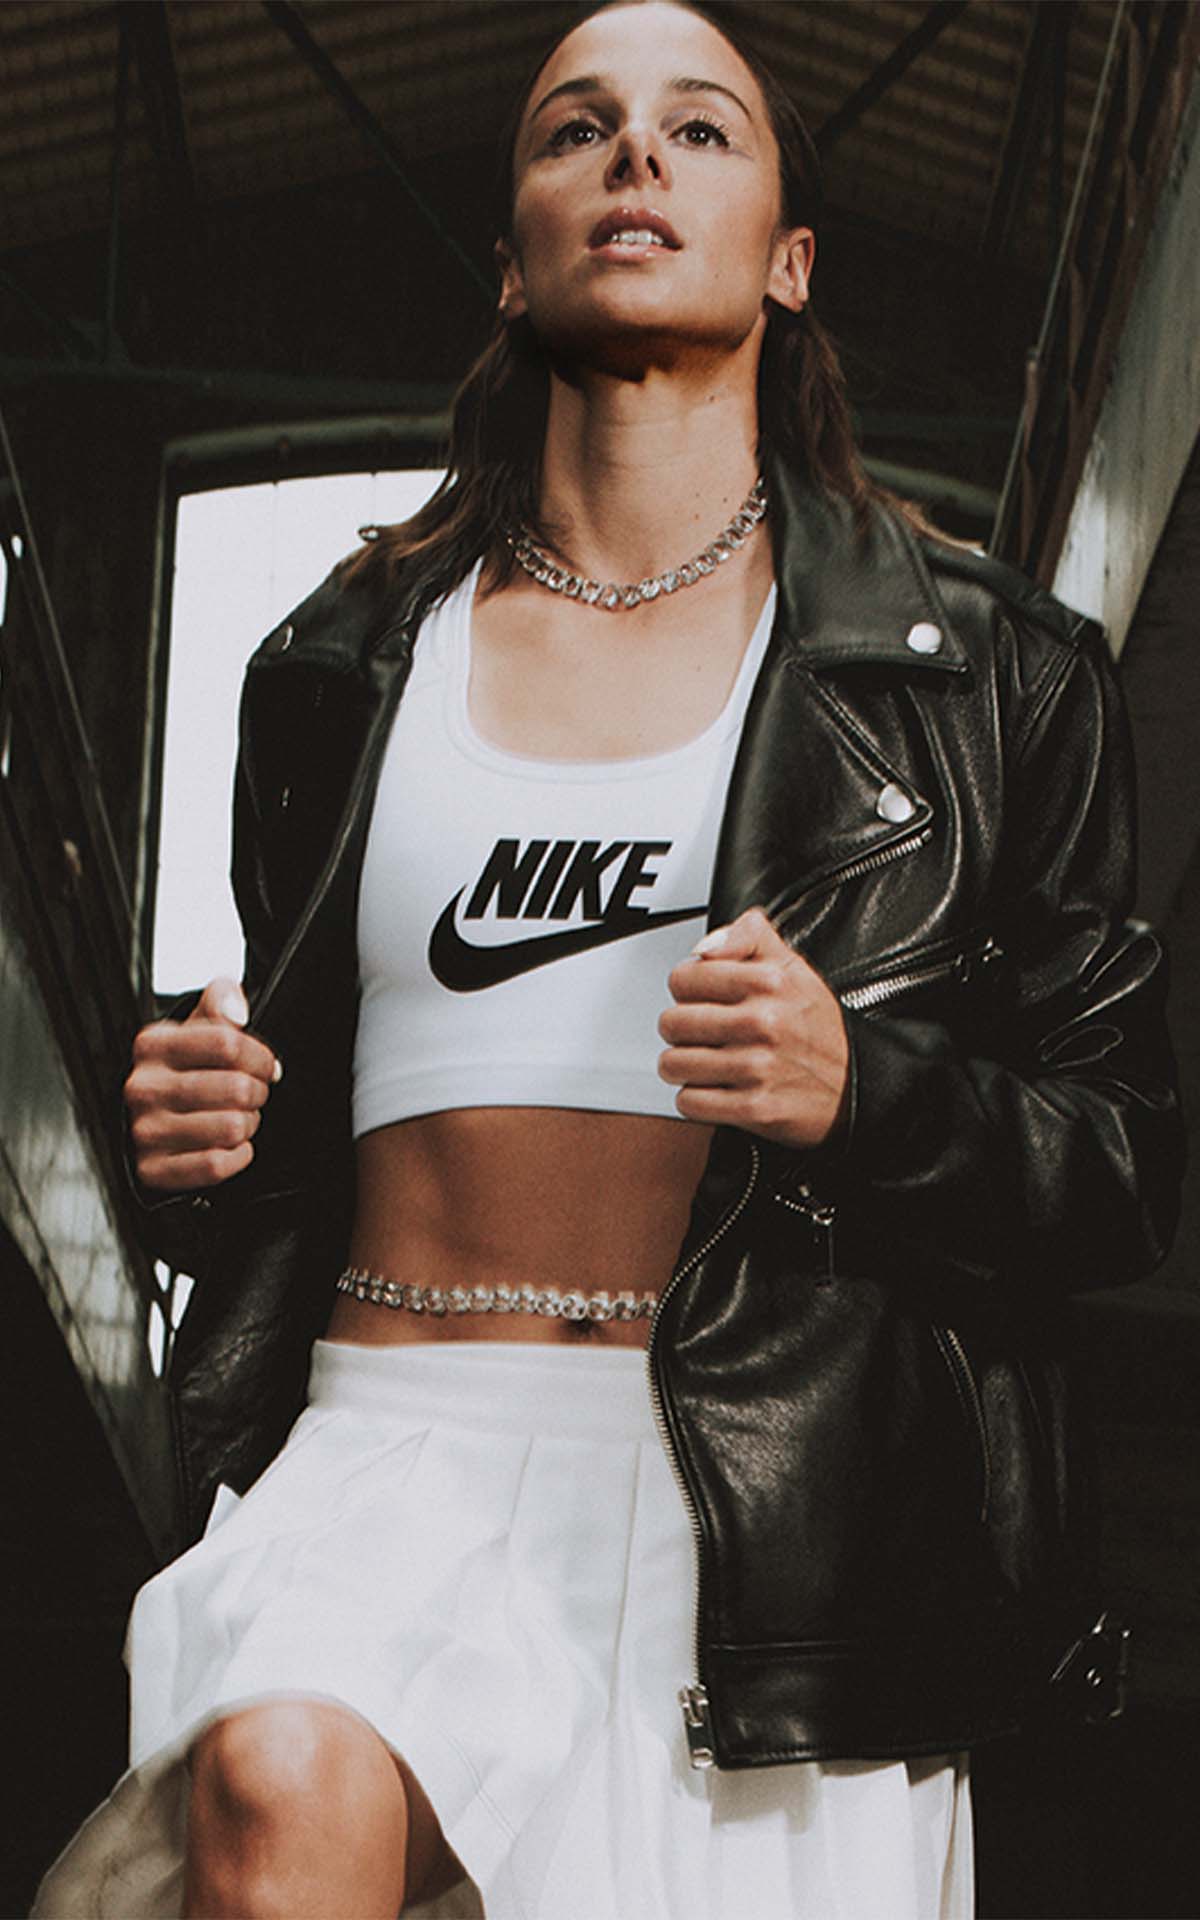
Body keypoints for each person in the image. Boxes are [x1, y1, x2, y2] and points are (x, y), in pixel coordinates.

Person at [35, 2, 1181, 1916]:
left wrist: (863, 1090)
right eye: (577, 128)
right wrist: (201, 1136)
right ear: (513, 260)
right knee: (275, 1780)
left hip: (774, 1514)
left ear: (790, 262)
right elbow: (287, 1126)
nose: (635, 154)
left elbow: (1124, 1161)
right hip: (390, 1451)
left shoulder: (988, 675)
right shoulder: (339, 667)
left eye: (699, 128)